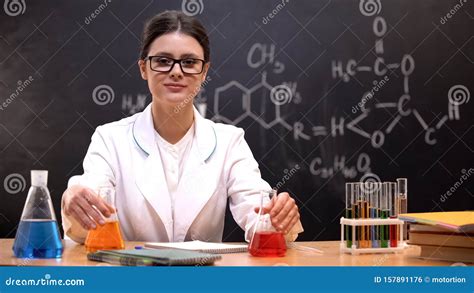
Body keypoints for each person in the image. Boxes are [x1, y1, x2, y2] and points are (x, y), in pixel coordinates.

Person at [61, 10, 303, 243]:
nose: (176, 72)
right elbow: (87, 219)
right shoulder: (110, 139)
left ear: (204, 71)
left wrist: (278, 216)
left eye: (189, 62)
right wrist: (74, 202)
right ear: (143, 68)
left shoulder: (230, 142)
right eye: (163, 61)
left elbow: (258, 216)